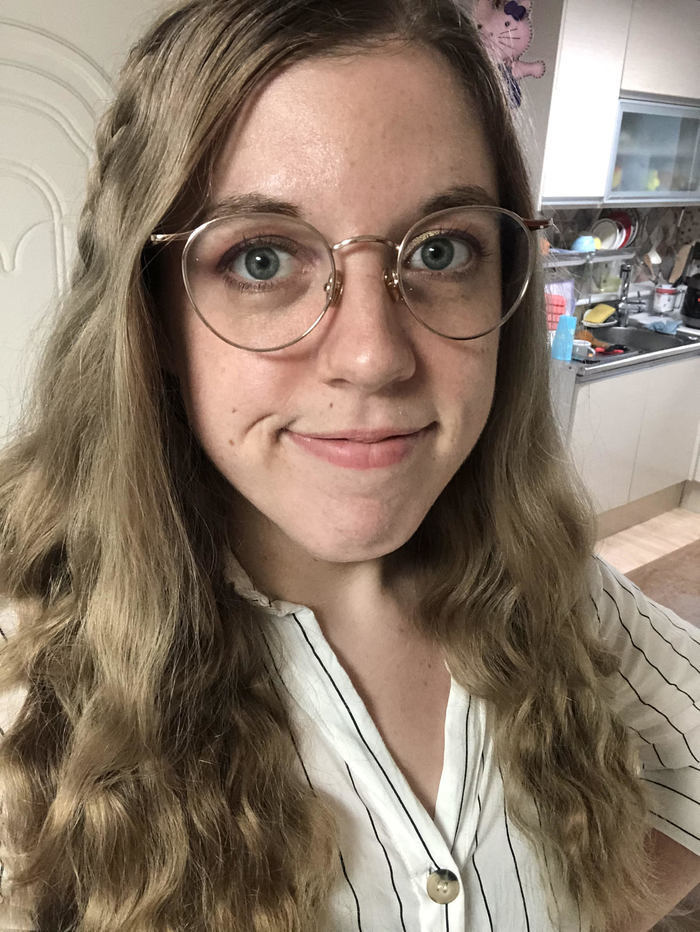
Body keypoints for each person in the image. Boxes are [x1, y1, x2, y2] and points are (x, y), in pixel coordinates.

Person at [0, 1, 699, 929]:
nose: (373, 356)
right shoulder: (25, 669)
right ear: (151, 312)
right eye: (260, 259)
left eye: (442, 251)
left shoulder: (549, 583)